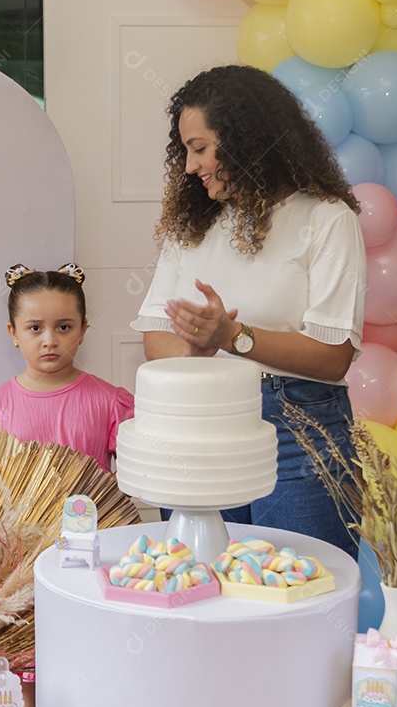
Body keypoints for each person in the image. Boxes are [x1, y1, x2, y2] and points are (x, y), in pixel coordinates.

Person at [130, 65, 367, 559]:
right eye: (186, 152)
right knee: (199, 582)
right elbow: (156, 340)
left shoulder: (326, 219)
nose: (191, 166)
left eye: (200, 148)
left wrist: (233, 336)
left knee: (299, 588)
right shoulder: (189, 227)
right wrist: (196, 345)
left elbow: (333, 357)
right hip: (200, 423)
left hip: (299, 430)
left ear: (246, 138)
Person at [0, 263, 134, 473]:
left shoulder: (111, 403)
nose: (50, 341)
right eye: (35, 328)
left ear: (82, 330)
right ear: (14, 332)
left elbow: (142, 473)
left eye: (64, 327)